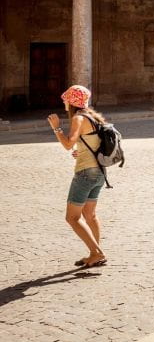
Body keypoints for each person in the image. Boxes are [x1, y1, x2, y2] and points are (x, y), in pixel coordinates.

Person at [46, 85, 108, 269]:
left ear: (72, 102)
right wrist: (80, 151)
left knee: (72, 217)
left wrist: (56, 128)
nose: (64, 102)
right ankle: (94, 253)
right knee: (90, 215)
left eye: (66, 99)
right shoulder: (93, 117)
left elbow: (68, 144)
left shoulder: (78, 118)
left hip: (85, 173)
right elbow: (92, 143)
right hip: (99, 172)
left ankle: (97, 252)